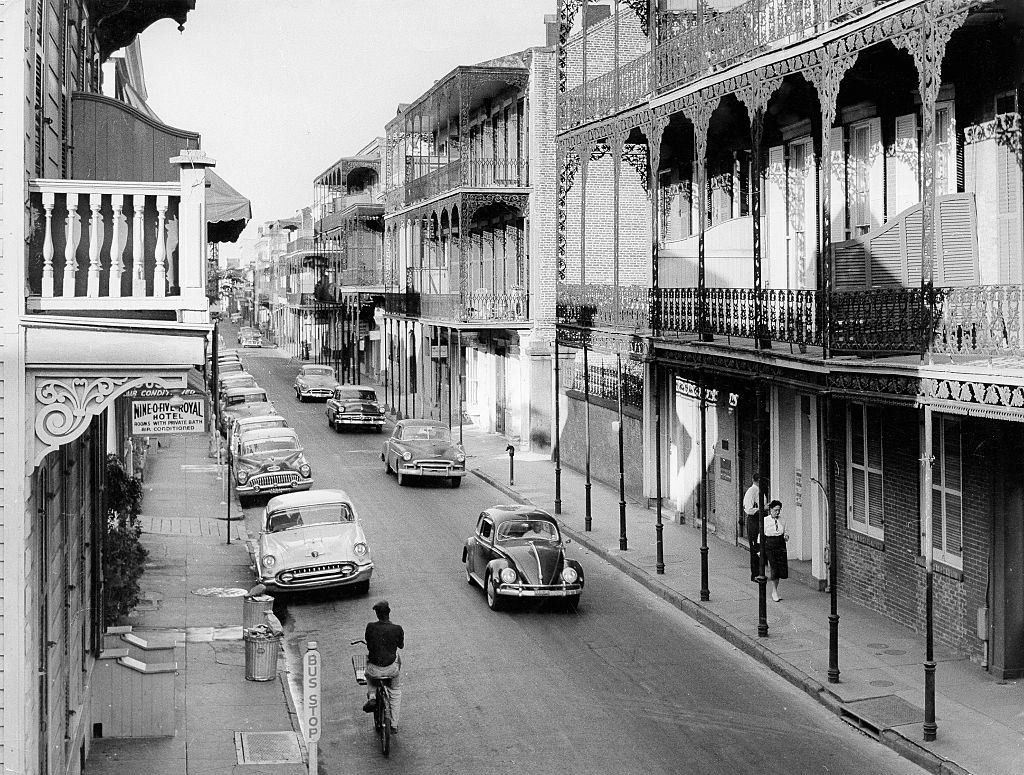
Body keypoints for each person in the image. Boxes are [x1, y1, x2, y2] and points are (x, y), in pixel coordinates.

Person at [362, 600, 405, 731]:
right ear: (389, 612)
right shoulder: (397, 628)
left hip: (374, 670)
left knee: (368, 674)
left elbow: (369, 645)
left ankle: (373, 695)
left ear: (377, 614)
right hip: (391, 669)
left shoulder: (370, 627)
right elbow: (401, 646)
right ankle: (394, 724)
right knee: (395, 692)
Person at [762, 500, 789, 602]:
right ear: (770, 510)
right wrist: (760, 549)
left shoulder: (783, 520)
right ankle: (774, 591)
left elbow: (786, 532)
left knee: (780, 569)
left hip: (780, 544)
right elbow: (761, 536)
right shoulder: (765, 521)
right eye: (775, 510)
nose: (777, 512)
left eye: (779, 510)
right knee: (774, 568)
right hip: (770, 544)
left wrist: (786, 536)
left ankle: (775, 590)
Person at [742, 473, 765, 582]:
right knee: (755, 546)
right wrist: (762, 509)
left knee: (760, 545)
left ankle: (760, 572)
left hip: (760, 520)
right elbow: (749, 509)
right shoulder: (752, 491)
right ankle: (755, 574)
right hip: (753, 521)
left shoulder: (759, 491)